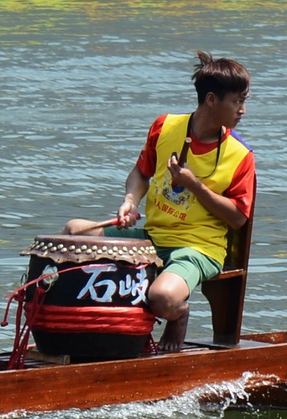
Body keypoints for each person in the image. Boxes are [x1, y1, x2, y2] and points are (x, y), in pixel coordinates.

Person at [64, 51, 256, 352]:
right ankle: (90, 329)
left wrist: (194, 185)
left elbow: (237, 219)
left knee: (163, 299)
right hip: (151, 237)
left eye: (243, 101)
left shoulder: (241, 154)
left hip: (198, 248)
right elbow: (141, 174)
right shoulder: (164, 126)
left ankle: (179, 313)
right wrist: (130, 201)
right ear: (210, 100)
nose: (243, 110)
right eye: (237, 101)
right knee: (73, 233)